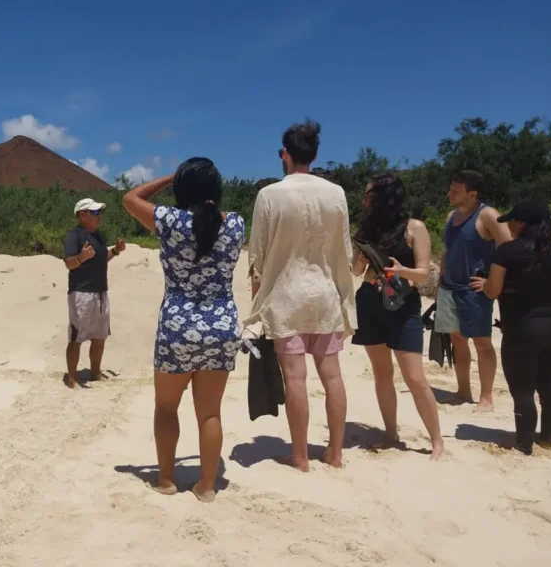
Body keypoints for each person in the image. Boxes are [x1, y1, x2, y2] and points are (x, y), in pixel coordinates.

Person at [123, 158, 244, 503]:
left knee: (166, 407)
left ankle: (166, 480)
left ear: (182, 189)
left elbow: (131, 198)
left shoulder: (170, 221)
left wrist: (169, 178)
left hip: (177, 327)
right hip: (220, 327)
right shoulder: (235, 224)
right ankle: (207, 485)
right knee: (209, 413)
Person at [244, 120, 357, 472]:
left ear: (285, 155)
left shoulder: (270, 195)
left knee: (295, 378)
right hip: (325, 293)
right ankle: (335, 454)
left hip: (285, 298)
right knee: (333, 376)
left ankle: (300, 456)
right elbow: (344, 248)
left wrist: (256, 304)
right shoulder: (336, 193)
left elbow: (258, 257)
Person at [350, 173, 445, 460]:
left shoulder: (414, 228)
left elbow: (424, 272)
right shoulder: (368, 228)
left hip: (403, 305)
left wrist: (401, 271)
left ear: (386, 197)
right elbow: (355, 272)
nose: (365, 200)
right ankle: (391, 433)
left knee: (415, 378)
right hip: (369, 302)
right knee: (381, 373)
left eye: (371, 195)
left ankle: (437, 440)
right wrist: (361, 260)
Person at [470, 199, 551, 455]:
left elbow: (493, 291)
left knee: (522, 390)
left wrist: (486, 283)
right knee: (549, 387)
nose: (508, 224)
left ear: (521, 223)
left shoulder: (506, 252)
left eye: (511, 220)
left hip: (522, 327)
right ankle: (547, 438)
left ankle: (524, 445)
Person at [435, 170, 511, 410]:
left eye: (456, 191)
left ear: (472, 194)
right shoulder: (450, 216)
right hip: (449, 287)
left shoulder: (487, 215)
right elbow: (447, 251)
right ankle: (463, 390)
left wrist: (491, 281)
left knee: (482, 342)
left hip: (474, 290)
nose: (449, 193)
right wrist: (439, 284)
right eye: (450, 188)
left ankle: (486, 397)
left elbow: (509, 249)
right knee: (457, 340)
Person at [63, 198, 126, 389]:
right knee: (76, 337)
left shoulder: (98, 236)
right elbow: (68, 263)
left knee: (100, 337)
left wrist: (115, 251)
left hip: (100, 293)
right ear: (83, 215)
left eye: (99, 213)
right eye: (96, 213)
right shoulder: (74, 236)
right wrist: (81, 257)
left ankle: (95, 374)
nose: (99, 217)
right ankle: (72, 379)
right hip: (81, 293)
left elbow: (101, 259)